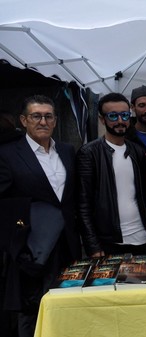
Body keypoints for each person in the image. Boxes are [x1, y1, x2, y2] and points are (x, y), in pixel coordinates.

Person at [0, 95, 81, 337]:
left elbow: (71, 199)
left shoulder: (66, 151)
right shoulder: (7, 154)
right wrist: (17, 243)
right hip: (31, 249)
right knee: (32, 312)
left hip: (67, 245)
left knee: (67, 305)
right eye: (36, 116)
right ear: (24, 120)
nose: (43, 121)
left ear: (55, 121)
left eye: (48, 116)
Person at [76, 93, 146, 257]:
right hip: (109, 244)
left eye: (124, 115)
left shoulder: (138, 151)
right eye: (113, 115)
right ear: (102, 119)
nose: (120, 121)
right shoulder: (89, 153)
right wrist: (93, 246)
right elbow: (83, 205)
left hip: (142, 239)